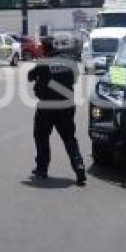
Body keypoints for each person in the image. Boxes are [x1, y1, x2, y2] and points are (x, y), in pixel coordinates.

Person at [27, 57, 86, 185]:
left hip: (47, 106)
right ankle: (79, 165)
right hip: (66, 106)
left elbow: (30, 76)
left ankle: (42, 168)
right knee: (69, 138)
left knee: (41, 136)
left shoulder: (44, 62)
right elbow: (75, 79)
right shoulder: (70, 62)